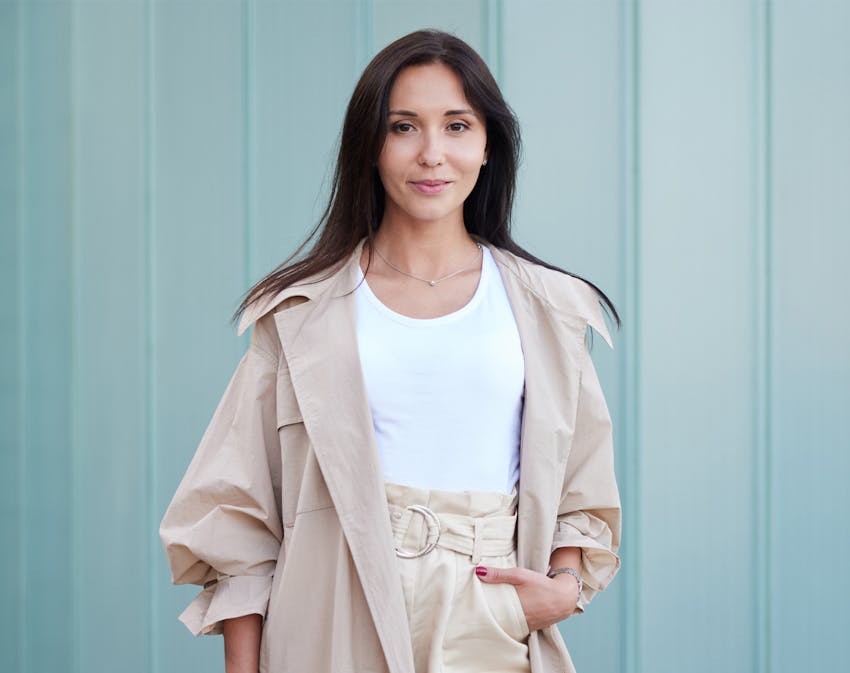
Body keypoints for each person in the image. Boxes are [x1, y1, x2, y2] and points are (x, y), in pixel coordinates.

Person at [160, 28, 621, 673]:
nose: (432, 154)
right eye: (404, 127)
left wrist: (562, 591)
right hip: (331, 608)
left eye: (457, 126)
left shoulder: (549, 308)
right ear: (370, 147)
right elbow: (238, 515)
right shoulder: (300, 315)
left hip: (491, 605)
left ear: (488, 144)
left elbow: (584, 489)